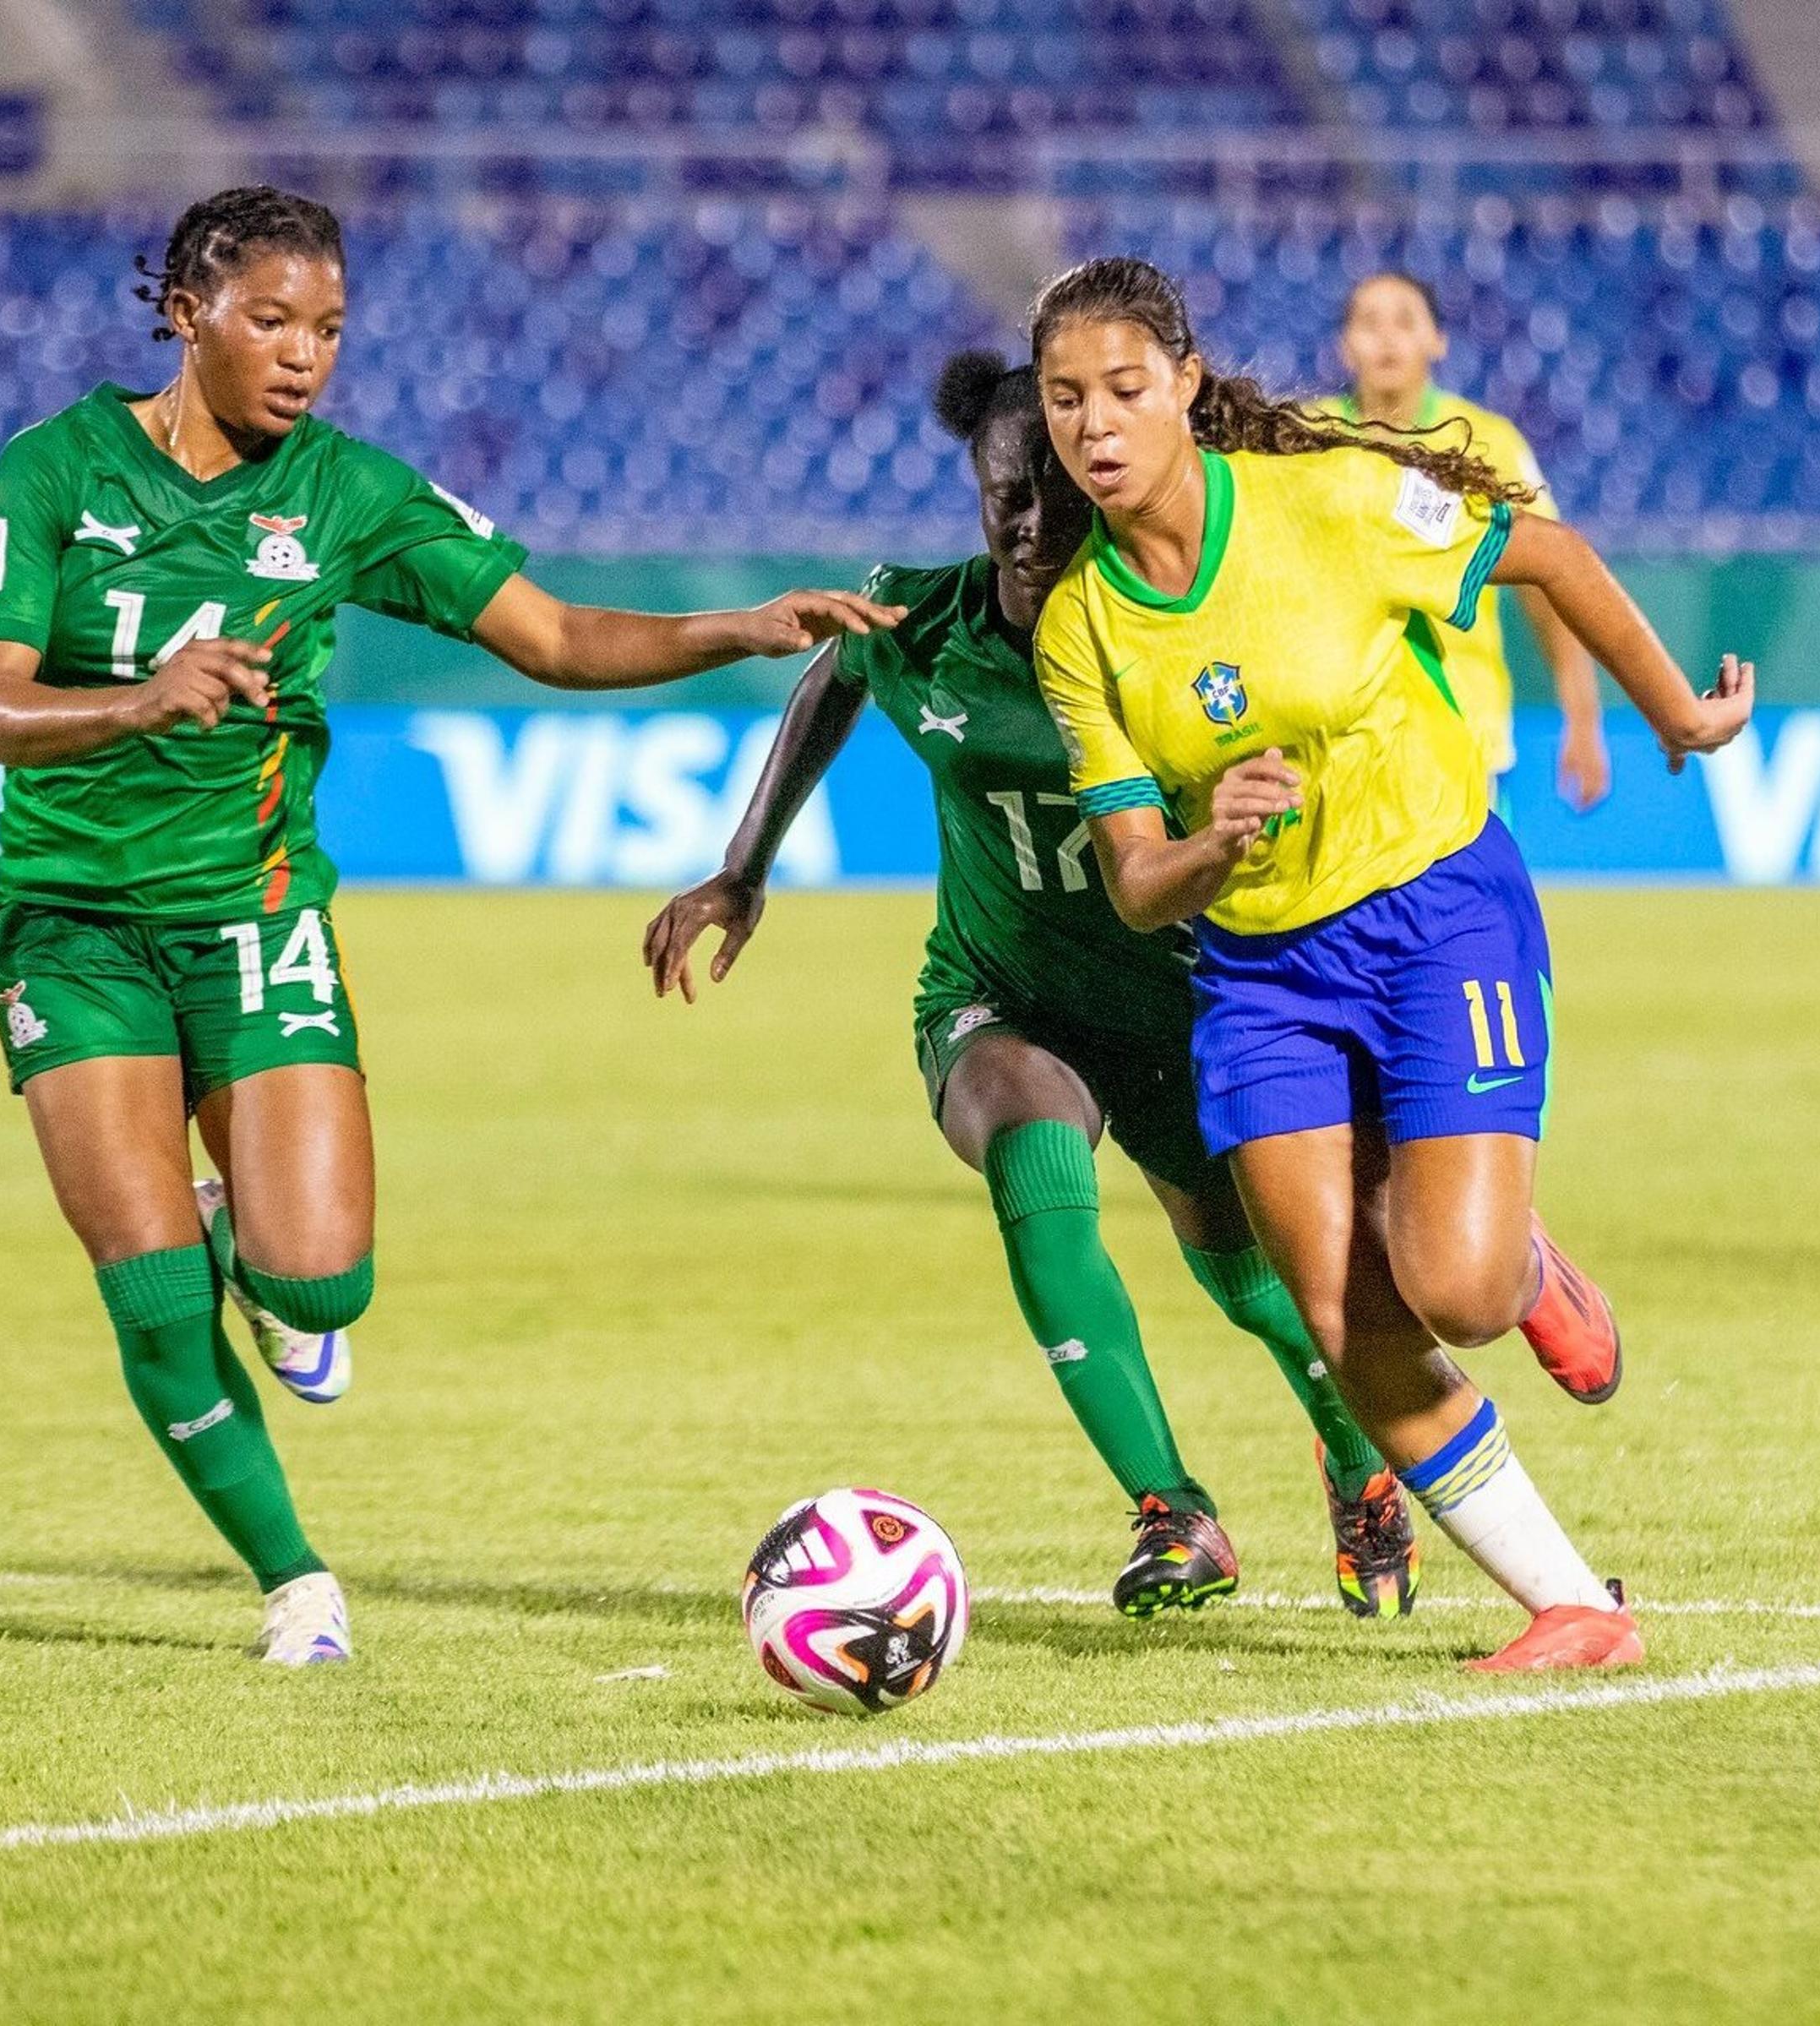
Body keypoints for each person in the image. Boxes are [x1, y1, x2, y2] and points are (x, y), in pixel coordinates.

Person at [0, 186, 898, 1664]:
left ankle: (242, 1242)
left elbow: (559, 634)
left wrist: (737, 628)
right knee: (145, 1292)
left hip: (253, 917)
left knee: (321, 1282)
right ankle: (296, 1581)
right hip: (72, 934)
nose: (303, 355)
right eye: (270, 320)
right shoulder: (53, 468)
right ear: (189, 310)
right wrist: (147, 695)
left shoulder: (345, 492)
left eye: (326, 328)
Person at [1024, 258, 1755, 1672]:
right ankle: (1576, 1608)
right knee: (1343, 1319)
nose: (1096, 425)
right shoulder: (1081, 626)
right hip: (1258, 969)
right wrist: (1214, 847)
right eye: (1066, 401)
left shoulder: (1335, 499)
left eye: (1123, 389)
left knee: (1461, 1290)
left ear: (1184, 382)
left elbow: (1547, 552)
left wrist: (1678, 717)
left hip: (1435, 907)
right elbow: (1132, 883)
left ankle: (1522, 1264)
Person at [643, 351, 1422, 1620]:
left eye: (1052, 493)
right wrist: (745, 868)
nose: (1028, 521)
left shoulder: (1162, 637)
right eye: (1005, 494)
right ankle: (1173, 1510)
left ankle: (1356, 1456)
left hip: (1175, 1000)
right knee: (1030, 1152)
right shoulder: (921, 624)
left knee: (1251, 1284)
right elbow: (835, 676)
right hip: (999, 992)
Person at [1326, 270, 1611, 814]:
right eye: (1369, 323)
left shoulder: (1489, 443)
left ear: (1438, 340)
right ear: (1344, 346)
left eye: (1406, 321)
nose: (1387, 338)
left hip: (1463, 737)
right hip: (1338, 742)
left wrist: (1582, 716)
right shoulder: (1302, 442)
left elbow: (1547, 586)